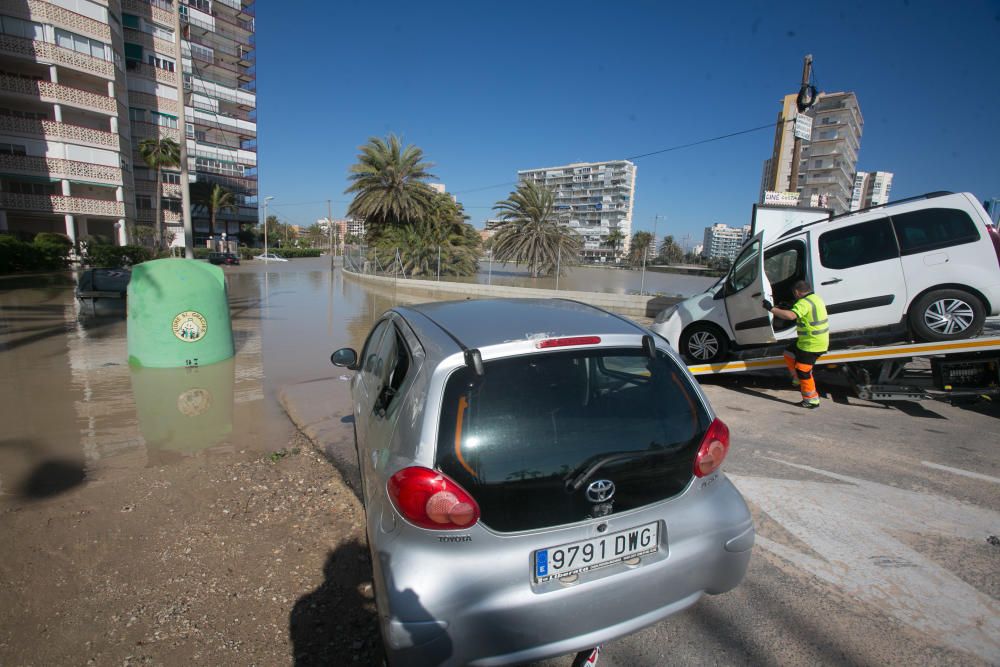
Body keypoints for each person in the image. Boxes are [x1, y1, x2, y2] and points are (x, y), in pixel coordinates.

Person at [762, 280, 829, 409]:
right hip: (812, 341)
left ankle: (811, 400)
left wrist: (771, 309)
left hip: (811, 344)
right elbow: (800, 310)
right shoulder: (815, 298)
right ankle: (796, 378)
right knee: (788, 353)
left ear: (797, 292)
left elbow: (791, 316)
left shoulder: (804, 303)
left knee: (803, 371)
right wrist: (789, 305)